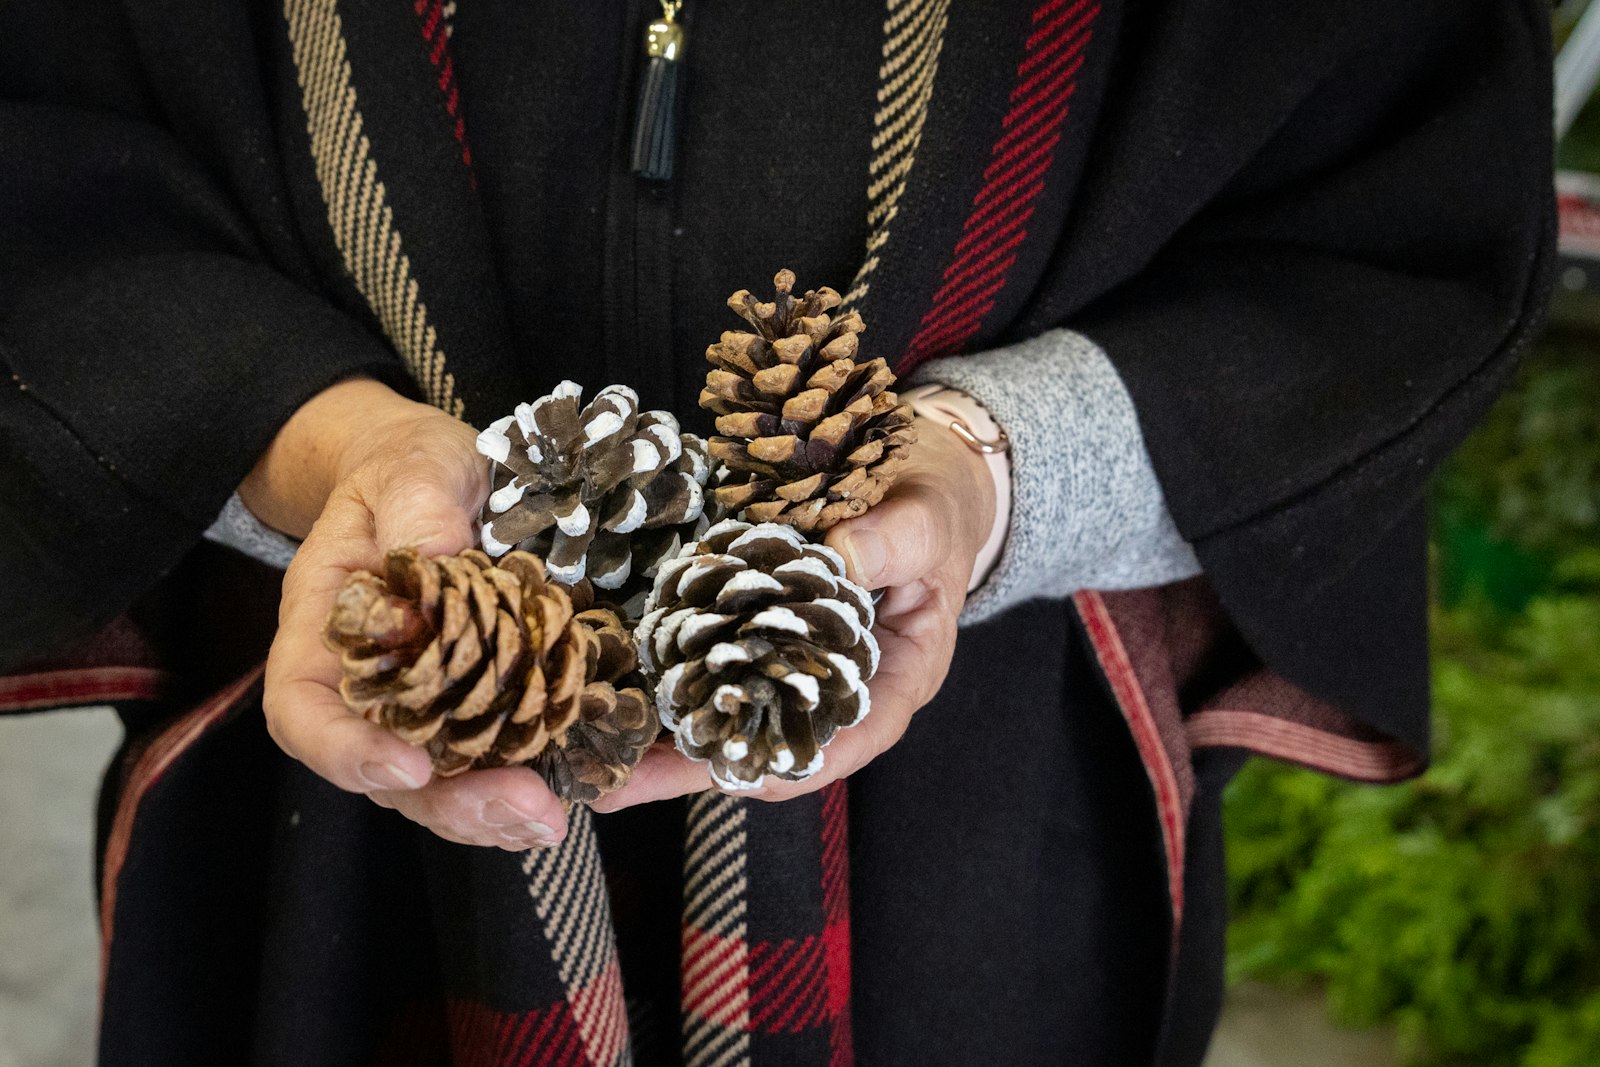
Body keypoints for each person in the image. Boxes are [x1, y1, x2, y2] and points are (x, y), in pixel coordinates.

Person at [0, 1, 1552, 1064]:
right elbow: (46, 157)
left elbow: (1391, 227)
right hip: (341, 763)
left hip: (988, 802)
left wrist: (987, 468)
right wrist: (316, 444)